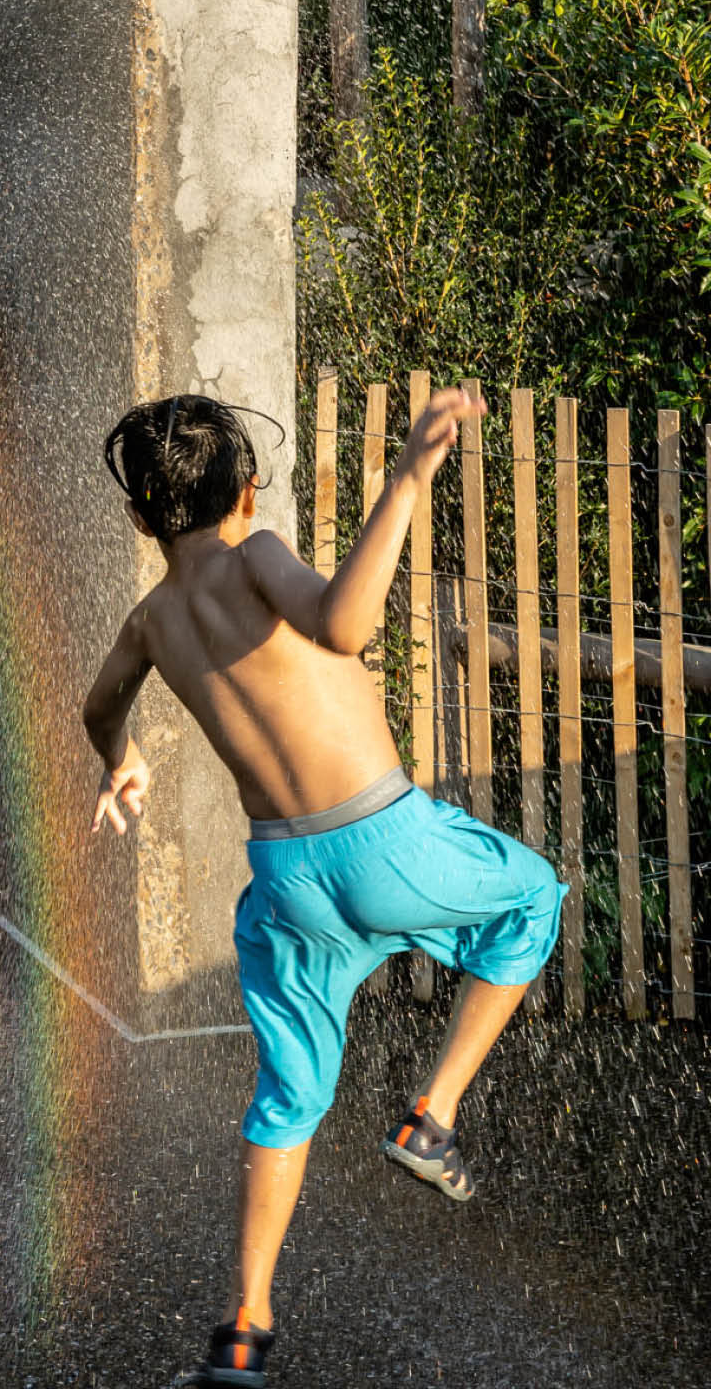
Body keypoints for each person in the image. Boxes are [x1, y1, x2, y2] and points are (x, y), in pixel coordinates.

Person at [82, 391, 566, 1389]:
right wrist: (407, 478)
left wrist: (119, 763)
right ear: (246, 493)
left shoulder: (153, 618)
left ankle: (245, 1330)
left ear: (140, 516)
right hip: (384, 841)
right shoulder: (257, 554)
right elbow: (344, 625)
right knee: (534, 896)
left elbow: (98, 704)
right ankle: (431, 1114)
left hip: (288, 881)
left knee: (290, 1093)